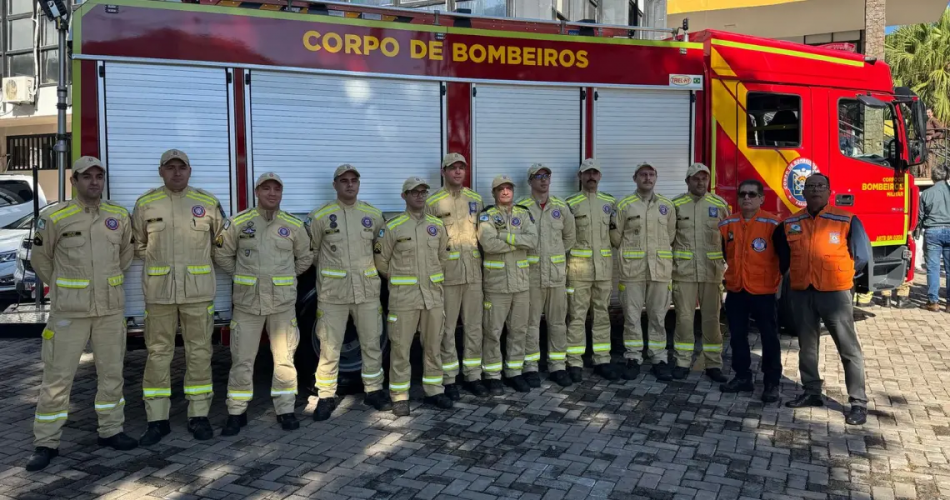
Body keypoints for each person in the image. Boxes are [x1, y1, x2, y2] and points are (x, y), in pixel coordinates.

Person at [26, 157, 138, 471]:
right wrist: (64, 287)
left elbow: (125, 255)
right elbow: (41, 259)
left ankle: (111, 430)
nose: (94, 181)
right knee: (57, 378)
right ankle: (46, 442)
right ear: (74, 181)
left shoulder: (118, 216)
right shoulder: (54, 217)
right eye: (86, 176)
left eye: (99, 176)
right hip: (69, 312)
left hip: (109, 310)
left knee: (112, 374)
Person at [133, 149, 225, 444]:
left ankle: (199, 416)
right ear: (161, 171)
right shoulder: (145, 204)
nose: (176, 172)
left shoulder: (207, 203)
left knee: (200, 353)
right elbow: (138, 245)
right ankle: (157, 419)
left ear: (189, 170)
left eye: (181, 167)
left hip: (198, 293)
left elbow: (220, 243)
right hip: (159, 294)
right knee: (158, 354)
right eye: (170, 167)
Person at [213, 172, 312, 435]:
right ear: (257, 192)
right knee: (242, 359)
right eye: (266, 188)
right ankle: (236, 412)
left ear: (281, 193)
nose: (271, 193)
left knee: (284, 359)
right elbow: (221, 253)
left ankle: (285, 409)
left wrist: (286, 278)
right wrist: (241, 276)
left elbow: (305, 257)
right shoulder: (238, 223)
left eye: (276, 189)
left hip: (282, 304)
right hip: (248, 304)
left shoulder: (294, 225)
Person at [774, 173, 870, 426]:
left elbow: (862, 256)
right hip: (802, 292)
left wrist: (841, 276)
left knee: (848, 348)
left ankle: (858, 402)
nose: (815, 190)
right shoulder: (791, 222)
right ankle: (811, 392)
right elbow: (783, 256)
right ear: (803, 193)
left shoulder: (846, 219)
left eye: (820, 186)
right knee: (807, 346)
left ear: (829, 192)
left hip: (835, 294)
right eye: (810, 186)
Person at [307, 164, 389, 421]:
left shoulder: (373, 215)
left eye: (354, 180)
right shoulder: (320, 216)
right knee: (329, 347)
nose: (350, 184)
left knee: (372, 343)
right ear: (335, 185)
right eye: (344, 180)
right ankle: (326, 395)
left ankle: (374, 390)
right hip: (333, 295)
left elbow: (381, 249)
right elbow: (311, 253)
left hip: (367, 293)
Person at [375, 177, 454, 416]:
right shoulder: (393, 226)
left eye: (423, 192)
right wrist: (400, 280)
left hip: (432, 296)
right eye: (414, 192)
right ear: (404, 196)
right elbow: (381, 261)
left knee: (433, 346)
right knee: (401, 348)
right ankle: (400, 396)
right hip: (404, 299)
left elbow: (443, 257)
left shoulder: (437, 226)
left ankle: (434, 390)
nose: (419, 196)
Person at [425, 153, 486, 398]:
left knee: (474, 328)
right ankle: (449, 378)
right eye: (453, 168)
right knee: (447, 329)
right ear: (444, 172)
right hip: (448, 275)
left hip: (473, 274)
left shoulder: (476, 199)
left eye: (461, 167)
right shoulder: (432, 202)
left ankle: (473, 375)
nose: (458, 172)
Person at [610, 162, 676, 381]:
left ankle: (659, 358)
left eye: (651, 174)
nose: (647, 178)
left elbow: (671, 235)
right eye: (643, 174)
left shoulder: (666, 205)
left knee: (658, 316)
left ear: (656, 177)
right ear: (635, 178)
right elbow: (616, 238)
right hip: (632, 271)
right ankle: (633, 357)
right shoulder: (624, 205)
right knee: (631, 316)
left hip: (660, 270)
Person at [717, 179, 781, 402]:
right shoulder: (727, 224)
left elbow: (784, 257)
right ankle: (742, 377)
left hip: (763, 292)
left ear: (761, 198)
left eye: (752, 194)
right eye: (742, 194)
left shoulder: (773, 224)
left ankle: (771, 382)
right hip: (737, 290)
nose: (746, 198)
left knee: (769, 338)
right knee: (737, 337)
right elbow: (724, 253)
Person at [478, 175, 539, 394]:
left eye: (508, 188)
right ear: (494, 193)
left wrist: (504, 235)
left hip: (521, 284)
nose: (505, 192)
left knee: (519, 330)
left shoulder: (524, 213)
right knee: (492, 332)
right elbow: (489, 244)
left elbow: (533, 241)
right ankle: (493, 375)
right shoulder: (486, 216)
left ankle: (514, 372)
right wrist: (517, 242)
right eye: (500, 189)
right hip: (496, 285)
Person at [516, 164, 576, 388]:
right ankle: (530, 366)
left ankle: (557, 366)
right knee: (530, 324)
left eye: (547, 175)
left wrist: (555, 257)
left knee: (558, 323)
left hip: (556, 276)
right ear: (530, 181)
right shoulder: (521, 207)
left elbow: (569, 237)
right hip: (531, 277)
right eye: (538, 176)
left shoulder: (561, 207)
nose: (543, 180)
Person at [670, 163, 729, 383]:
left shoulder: (720, 205)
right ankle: (682, 361)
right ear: (687, 181)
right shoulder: (676, 205)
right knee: (684, 319)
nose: (700, 182)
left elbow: (728, 239)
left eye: (704, 178)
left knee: (712, 319)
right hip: (683, 272)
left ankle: (713, 363)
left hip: (711, 273)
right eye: (695, 178)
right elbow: (667, 238)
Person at [565, 159, 618, 381]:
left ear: (600, 176)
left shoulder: (610, 202)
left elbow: (615, 235)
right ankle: (574, 361)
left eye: (595, 173)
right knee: (576, 316)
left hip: (603, 270)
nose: (591, 177)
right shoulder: (570, 204)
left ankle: (602, 359)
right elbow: (566, 237)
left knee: (602, 314)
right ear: (580, 176)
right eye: (587, 173)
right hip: (578, 271)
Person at [919, 165, 950, 312]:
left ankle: (933, 301)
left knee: (933, 268)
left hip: (932, 231)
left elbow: (920, 215)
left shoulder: (926, 193)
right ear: (947, 176)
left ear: (933, 177)